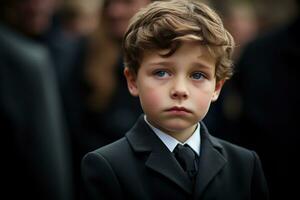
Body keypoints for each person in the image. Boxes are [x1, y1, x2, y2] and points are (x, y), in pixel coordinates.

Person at [81, 1, 269, 199]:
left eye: (197, 75)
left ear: (217, 87)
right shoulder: (107, 165)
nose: (180, 90)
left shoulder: (244, 164)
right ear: (133, 81)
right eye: (161, 72)